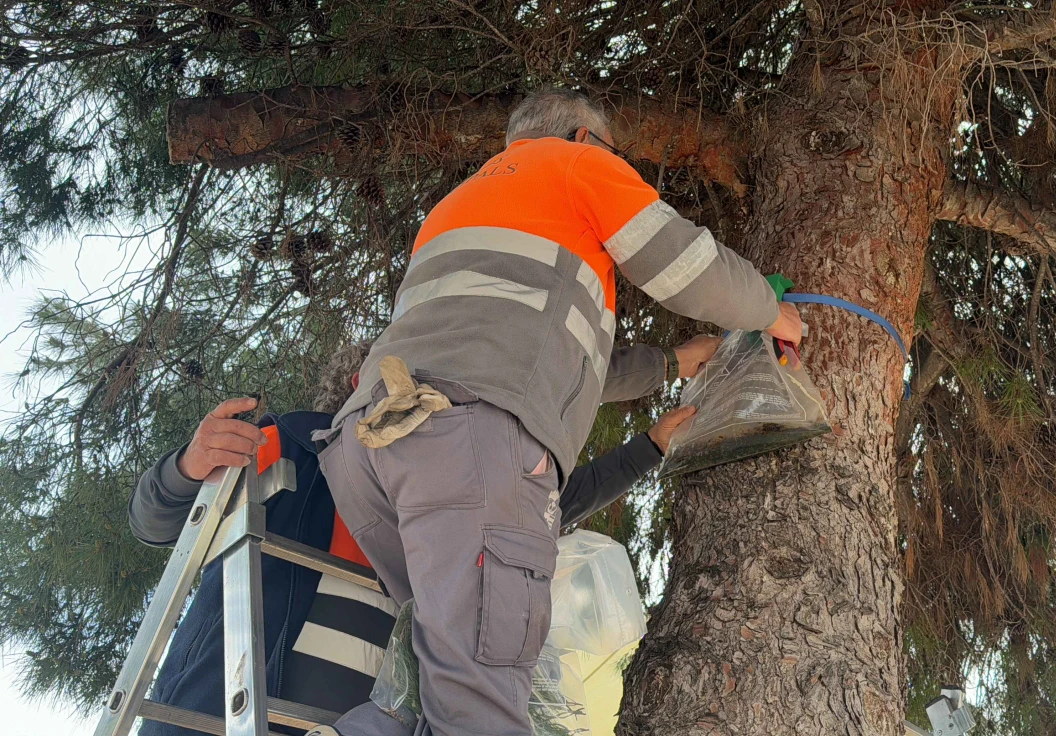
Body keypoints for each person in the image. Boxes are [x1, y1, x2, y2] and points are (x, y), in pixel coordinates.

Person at [316, 87, 803, 736]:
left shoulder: (456, 206)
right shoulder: (577, 165)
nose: (617, 161)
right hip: (467, 443)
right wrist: (774, 314)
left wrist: (669, 364)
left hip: (369, 448)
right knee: (479, 707)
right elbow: (687, 266)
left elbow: (548, 361)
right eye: (613, 151)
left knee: (430, 691)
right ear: (583, 138)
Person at [127, 341, 699, 736]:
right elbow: (159, 522)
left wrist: (649, 445)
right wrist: (186, 467)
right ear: (361, 385)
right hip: (223, 714)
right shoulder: (290, 441)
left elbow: (542, 508)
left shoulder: (451, 482)